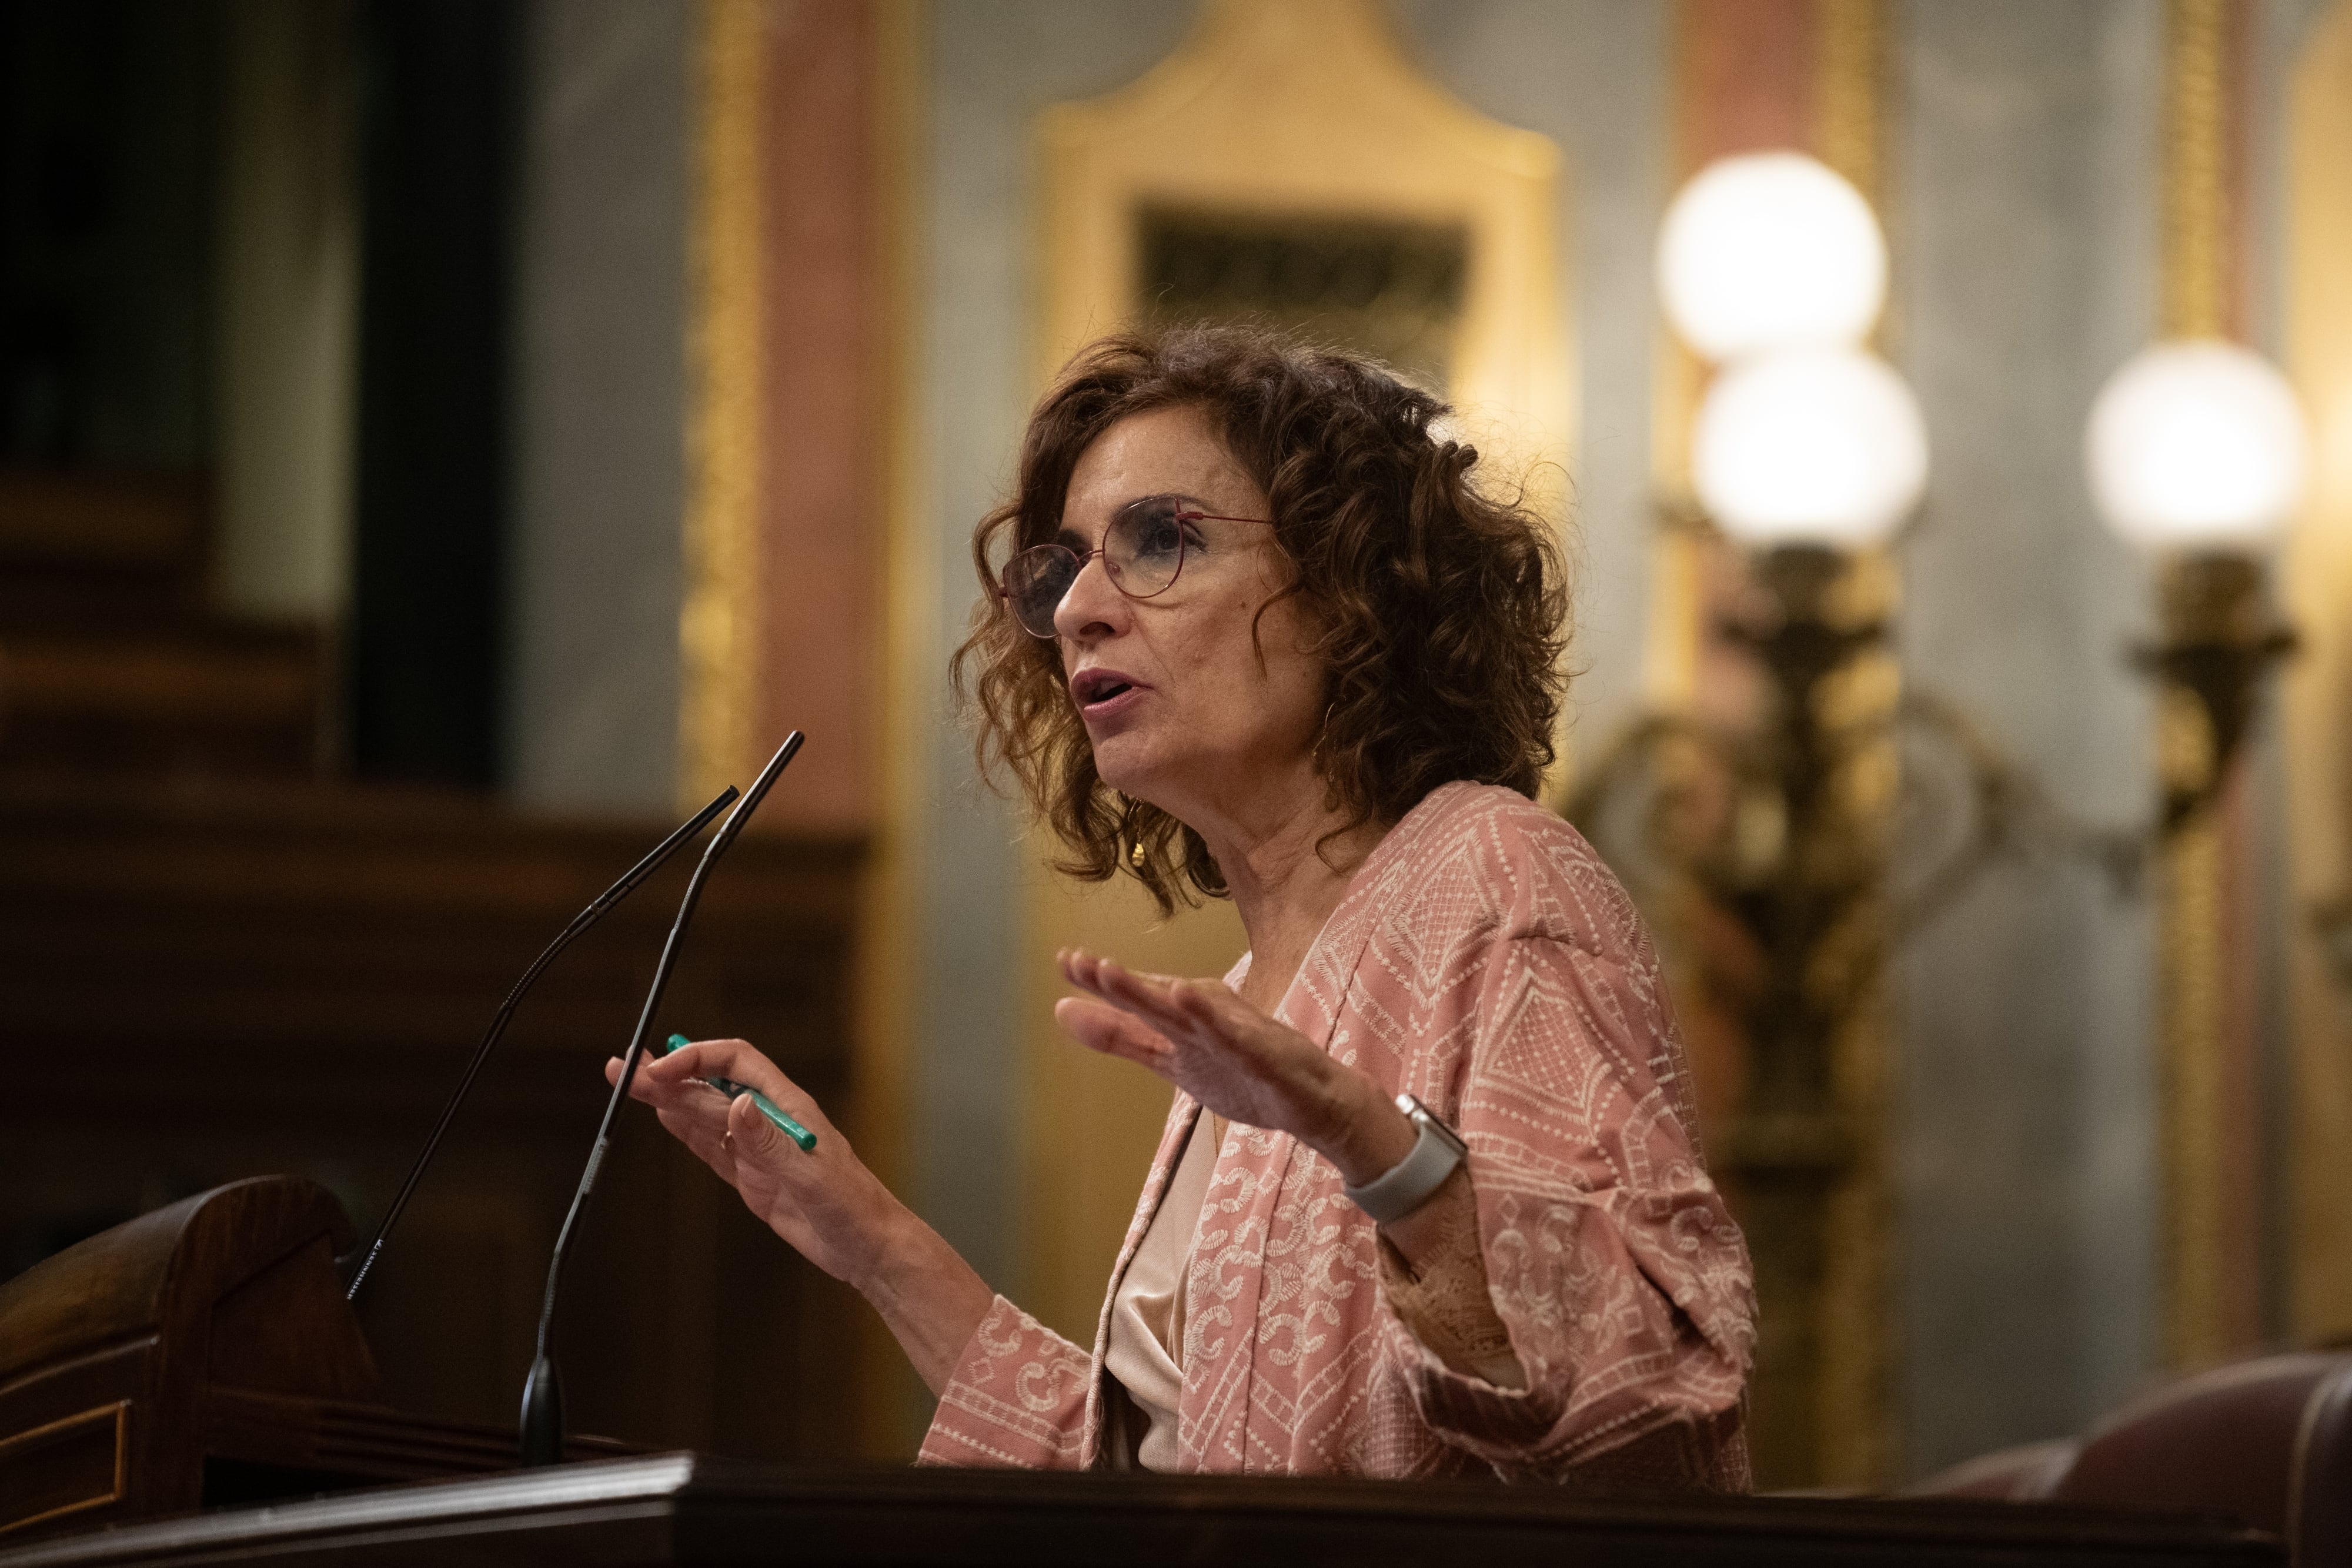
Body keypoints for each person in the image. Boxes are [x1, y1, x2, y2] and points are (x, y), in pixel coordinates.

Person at [615, 325, 1755, 1487]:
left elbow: (1654, 1405)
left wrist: (1373, 1142)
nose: (1075, 613)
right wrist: (868, 1237)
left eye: (1161, 538)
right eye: (1061, 570)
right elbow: (1173, 1488)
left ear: (1349, 584)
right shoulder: (1253, 993)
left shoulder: (1496, 876)